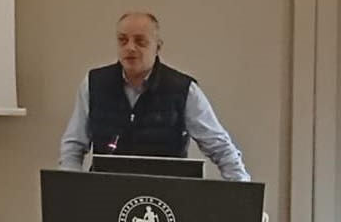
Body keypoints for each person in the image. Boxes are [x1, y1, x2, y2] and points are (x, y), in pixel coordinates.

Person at [59, 11, 250, 181]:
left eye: (140, 41)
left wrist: (243, 192)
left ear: (158, 46)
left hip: (166, 196)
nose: (130, 48)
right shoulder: (94, 84)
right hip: (106, 192)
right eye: (123, 40)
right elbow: (74, 145)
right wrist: (68, 188)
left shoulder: (183, 89)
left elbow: (219, 147)